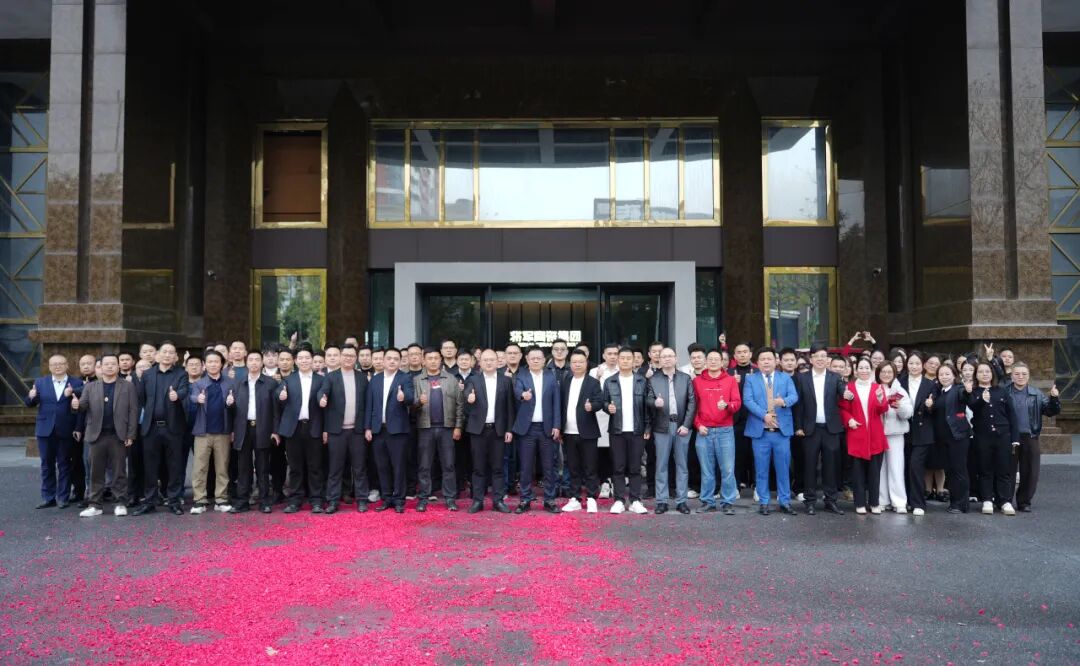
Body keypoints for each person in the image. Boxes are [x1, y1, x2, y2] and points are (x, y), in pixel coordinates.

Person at [72, 353, 138, 517]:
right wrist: (76, 405)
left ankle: (120, 502)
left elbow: (133, 411)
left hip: (118, 435)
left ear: (118, 366)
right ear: (100, 367)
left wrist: (131, 434)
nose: (109, 366)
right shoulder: (90, 387)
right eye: (106, 364)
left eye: (113, 364)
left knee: (119, 471)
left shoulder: (127, 386)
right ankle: (95, 505)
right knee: (95, 471)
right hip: (96, 435)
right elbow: (82, 407)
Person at [133, 342, 188, 516]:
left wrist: (177, 395)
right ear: (157, 355)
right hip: (151, 427)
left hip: (173, 427)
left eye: (171, 352)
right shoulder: (148, 374)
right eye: (164, 352)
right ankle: (150, 501)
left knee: (174, 466)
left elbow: (184, 391)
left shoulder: (181, 373)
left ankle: (174, 501)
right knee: (150, 466)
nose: (167, 355)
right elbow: (141, 398)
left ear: (175, 356)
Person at [742, 347, 799, 515]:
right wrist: (764, 415)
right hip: (760, 433)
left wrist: (784, 402)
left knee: (783, 469)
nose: (766, 362)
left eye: (769, 359)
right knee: (761, 469)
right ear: (757, 363)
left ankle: (785, 502)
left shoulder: (785, 378)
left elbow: (794, 396)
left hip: (781, 432)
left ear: (776, 361)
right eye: (763, 359)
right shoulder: (751, 379)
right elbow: (748, 400)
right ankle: (764, 502)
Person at [792, 344, 846, 515]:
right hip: (810, 429)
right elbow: (798, 405)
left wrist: (847, 394)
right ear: (811, 359)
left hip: (831, 428)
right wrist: (798, 426)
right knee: (809, 466)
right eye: (817, 356)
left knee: (831, 466)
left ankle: (831, 500)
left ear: (827, 358)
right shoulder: (802, 378)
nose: (821, 359)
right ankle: (810, 501)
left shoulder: (835, 377)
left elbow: (843, 393)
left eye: (823, 356)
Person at [26, 356, 83, 509]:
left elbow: (81, 409)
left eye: (60, 364)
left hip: (66, 429)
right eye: (54, 364)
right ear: (49, 367)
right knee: (46, 464)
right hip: (45, 429)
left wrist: (78, 428)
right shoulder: (40, 382)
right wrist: (31, 397)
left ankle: (63, 498)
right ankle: (48, 497)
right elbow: (30, 404)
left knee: (65, 464)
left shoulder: (77, 383)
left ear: (67, 365)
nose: (57, 366)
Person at [412, 347, 465, 512]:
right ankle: (423, 498)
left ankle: (450, 498)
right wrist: (419, 402)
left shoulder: (451, 379)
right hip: (425, 429)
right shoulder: (417, 380)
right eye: (430, 358)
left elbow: (460, 405)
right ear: (423, 361)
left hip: (447, 428)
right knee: (424, 466)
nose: (433, 361)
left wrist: (458, 426)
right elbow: (409, 407)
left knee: (448, 465)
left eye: (436, 358)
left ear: (440, 360)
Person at [602, 346, 653, 515]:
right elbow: (604, 402)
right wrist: (607, 407)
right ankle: (618, 500)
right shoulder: (610, 381)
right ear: (618, 360)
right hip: (617, 430)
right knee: (618, 467)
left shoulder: (641, 381)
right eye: (622, 358)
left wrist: (647, 426)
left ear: (634, 360)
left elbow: (647, 408)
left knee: (635, 467)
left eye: (628, 358)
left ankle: (635, 500)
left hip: (637, 430)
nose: (625, 361)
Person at [511, 346, 562, 514]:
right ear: (526, 359)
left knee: (549, 467)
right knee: (526, 467)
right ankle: (525, 499)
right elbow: (516, 390)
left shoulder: (550, 376)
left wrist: (556, 425)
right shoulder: (521, 375)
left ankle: (549, 500)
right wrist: (522, 395)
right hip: (527, 429)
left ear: (543, 360)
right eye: (532, 358)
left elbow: (556, 402)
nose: (535, 360)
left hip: (547, 428)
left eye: (538, 358)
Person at [463, 349, 514, 513]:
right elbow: (466, 394)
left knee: (498, 467)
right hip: (478, 430)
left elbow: (510, 408)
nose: (489, 362)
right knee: (478, 468)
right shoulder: (473, 379)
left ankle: (498, 501)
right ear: (480, 363)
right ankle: (478, 501)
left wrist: (509, 429)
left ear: (498, 361)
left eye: (492, 359)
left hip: (498, 430)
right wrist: (469, 398)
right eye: (485, 360)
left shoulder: (506, 381)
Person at [692, 349, 742, 515]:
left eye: (716, 359)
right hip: (704, 431)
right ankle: (708, 501)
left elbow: (737, 403)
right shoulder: (697, 381)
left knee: (727, 469)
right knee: (706, 470)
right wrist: (698, 425)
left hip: (725, 430)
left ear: (722, 362)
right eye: (710, 359)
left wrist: (727, 406)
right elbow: (693, 407)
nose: (713, 362)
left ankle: (728, 502)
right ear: (706, 362)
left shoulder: (730, 380)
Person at [320, 345, 369, 514]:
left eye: (351, 356)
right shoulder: (331, 377)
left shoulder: (362, 378)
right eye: (345, 355)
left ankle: (362, 500)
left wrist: (367, 427)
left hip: (357, 431)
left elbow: (367, 404)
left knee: (359, 468)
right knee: (335, 468)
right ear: (341, 357)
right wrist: (322, 399)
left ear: (356, 358)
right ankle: (333, 501)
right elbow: (322, 392)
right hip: (337, 431)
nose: (348, 358)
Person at [364, 348, 415, 513]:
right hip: (378, 430)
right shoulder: (375, 380)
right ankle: (386, 498)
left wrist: (404, 397)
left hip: (398, 431)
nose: (392, 361)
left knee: (398, 467)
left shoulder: (405, 378)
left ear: (400, 362)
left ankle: (399, 500)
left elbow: (411, 398)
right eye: (389, 358)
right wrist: (367, 427)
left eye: (395, 359)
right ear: (383, 361)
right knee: (382, 466)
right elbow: (369, 405)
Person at [647, 347, 696, 515]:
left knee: (682, 465)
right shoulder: (653, 379)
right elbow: (647, 400)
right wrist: (654, 403)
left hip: (681, 425)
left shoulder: (685, 378)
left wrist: (687, 424)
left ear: (676, 359)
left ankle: (682, 501)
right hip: (662, 426)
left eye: (670, 356)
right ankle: (662, 501)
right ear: (659, 360)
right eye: (664, 356)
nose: (667, 359)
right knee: (661, 465)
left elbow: (692, 402)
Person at [229, 350, 279, 513]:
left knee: (263, 466)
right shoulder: (238, 382)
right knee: (243, 467)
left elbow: (276, 410)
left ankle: (264, 501)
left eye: (257, 359)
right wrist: (230, 406)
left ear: (262, 362)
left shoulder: (271, 383)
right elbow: (232, 411)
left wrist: (275, 431)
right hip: (243, 428)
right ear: (246, 362)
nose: (254, 362)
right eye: (251, 359)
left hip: (263, 427)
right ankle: (242, 501)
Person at [276, 348, 326, 514]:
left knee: (315, 466)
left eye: (307, 358)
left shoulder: (321, 380)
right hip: (294, 428)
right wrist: (280, 395)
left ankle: (316, 500)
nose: (304, 361)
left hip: (314, 427)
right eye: (301, 358)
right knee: (295, 467)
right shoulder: (288, 380)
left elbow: (326, 403)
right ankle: (295, 500)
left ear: (312, 360)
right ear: (295, 361)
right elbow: (278, 394)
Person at [968, 361, 1020, 515]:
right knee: (985, 469)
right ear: (976, 375)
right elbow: (971, 407)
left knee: (1004, 469)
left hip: (1003, 435)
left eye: (987, 371)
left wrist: (1015, 438)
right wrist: (981, 400)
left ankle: (1004, 501)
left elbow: (1011, 415)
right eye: (981, 372)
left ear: (992, 374)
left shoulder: (1002, 391)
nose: (984, 374)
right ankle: (987, 499)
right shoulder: (973, 392)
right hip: (982, 436)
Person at [840, 358, 890, 514]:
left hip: (875, 435)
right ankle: (860, 503)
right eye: (860, 368)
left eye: (866, 367)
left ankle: (874, 503)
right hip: (857, 433)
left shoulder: (877, 387)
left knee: (875, 473)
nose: (864, 370)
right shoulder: (849, 388)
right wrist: (849, 420)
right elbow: (842, 408)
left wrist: (881, 400)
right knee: (858, 472)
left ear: (871, 370)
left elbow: (883, 409)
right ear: (856, 371)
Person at [188, 350, 234, 514]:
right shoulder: (199, 384)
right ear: (204, 365)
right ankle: (199, 500)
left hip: (223, 432)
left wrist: (231, 402)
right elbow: (192, 397)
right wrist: (197, 399)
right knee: (199, 468)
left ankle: (221, 499)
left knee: (222, 468)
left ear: (221, 364)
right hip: (203, 432)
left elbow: (235, 406)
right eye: (210, 362)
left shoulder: (230, 383)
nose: (213, 364)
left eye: (216, 361)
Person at [558, 349, 603, 513]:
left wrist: (592, 406)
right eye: (574, 362)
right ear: (570, 364)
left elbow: (600, 401)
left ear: (586, 363)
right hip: (568, 432)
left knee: (590, 467)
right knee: (573, 467)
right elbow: (561, 405)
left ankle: (591, 497)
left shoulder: (593, 382)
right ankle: (575, 498)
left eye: (580, 362)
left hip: (588, 431)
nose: (577, 365)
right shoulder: (566, 381)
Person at [928, 364, 972, 514]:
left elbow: (965, 397)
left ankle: (961, 504)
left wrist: (968, 392)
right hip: (943, 438)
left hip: (957, 436)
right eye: (941, 374)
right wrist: (929, 405)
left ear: (954, 376)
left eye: (947, 374)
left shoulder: (958, 389)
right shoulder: (938, 391)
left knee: (959, 470)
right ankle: (955, 502)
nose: (944, 377)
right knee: (950, 471)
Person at [900, 352, 935, 516]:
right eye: (911, 363)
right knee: (905, 465)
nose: (914, 366)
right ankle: (906, 500)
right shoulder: (900, 382)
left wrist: (930, 405)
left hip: (923, 431)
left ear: (923, 365)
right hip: (904, 429)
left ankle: (918, 503)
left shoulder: (930, 384)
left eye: (917, 364)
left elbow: (936, 408)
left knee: (916, 465)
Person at [875, 362, 912, 513]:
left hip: (895, 434)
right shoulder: (874, 388)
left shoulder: (900, 390)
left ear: (894, 373)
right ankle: (882, 500)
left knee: (896, 468)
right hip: (877, 434)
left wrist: (899, 407)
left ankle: (899, 501)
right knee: (880, 468)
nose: (886, 374)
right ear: (878, 373)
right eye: (883, 371)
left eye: (889, 372)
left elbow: (908, 413)